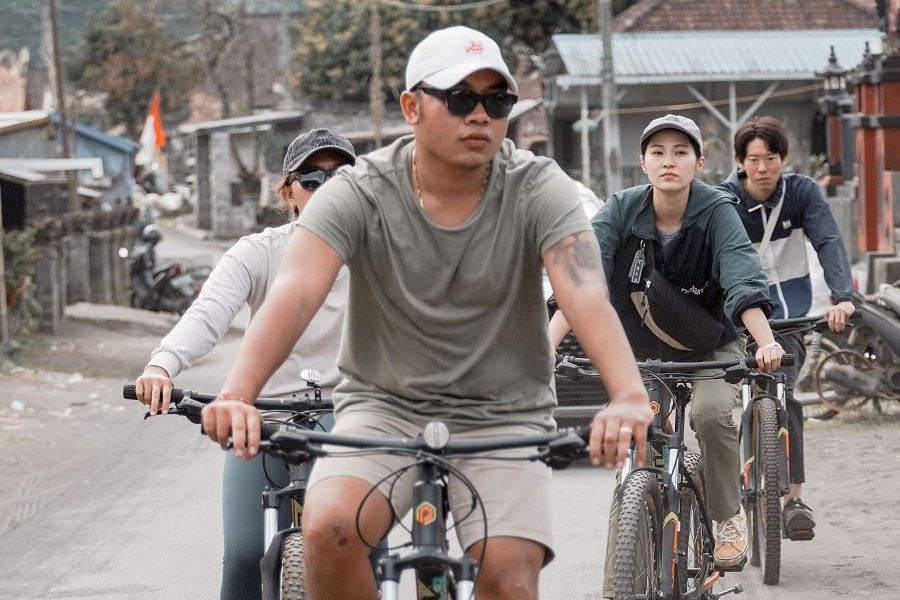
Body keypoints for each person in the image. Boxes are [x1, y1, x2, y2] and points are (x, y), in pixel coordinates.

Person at [200, 25, 654, 600]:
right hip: (382, 407)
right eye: (460, 98)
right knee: (327, 528)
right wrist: (239, 391)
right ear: (412, 107)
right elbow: (294, 291)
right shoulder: (359, 191)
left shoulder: (539, 186)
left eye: (497, 101)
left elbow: (585, 292)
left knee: (510, 575)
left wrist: (629, 396)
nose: (480, 116)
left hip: (504, 410)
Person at [550, 114, 786, 575]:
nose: (668, 162)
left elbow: (741, 277)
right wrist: (547, 344)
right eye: (658, 153)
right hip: (639, 349)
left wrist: (766, 342)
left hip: (710, 345)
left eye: (680, 153)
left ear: (698, 163)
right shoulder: (621, 209)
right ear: (643, 162)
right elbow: (584, 276)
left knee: (710, 414)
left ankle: (725, 517)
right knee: (639, 428)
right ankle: (639, 512)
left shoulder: (717, 210)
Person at [133, 128, 357, 600]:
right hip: (262, 420)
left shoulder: (377, 255)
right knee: (242, 554)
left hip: (352, 420)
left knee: (363, 551)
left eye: (342, 176)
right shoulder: (259, 252)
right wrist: (162, 366)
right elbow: (209, 314)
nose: (328, 187)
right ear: (289, 191)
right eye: (313, 178)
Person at [718, 115, 855, 539]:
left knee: (784, 394)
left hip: (791, 315)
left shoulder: (802, 193)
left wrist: (842, 295)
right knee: (736, 402)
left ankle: (794, 497)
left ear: (783, 159)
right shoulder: (724, 200)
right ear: (739, 161)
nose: (762, 168)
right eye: (753, 159)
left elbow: (828, 241)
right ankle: (738, 487)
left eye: (771, 158)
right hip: (737, 319)